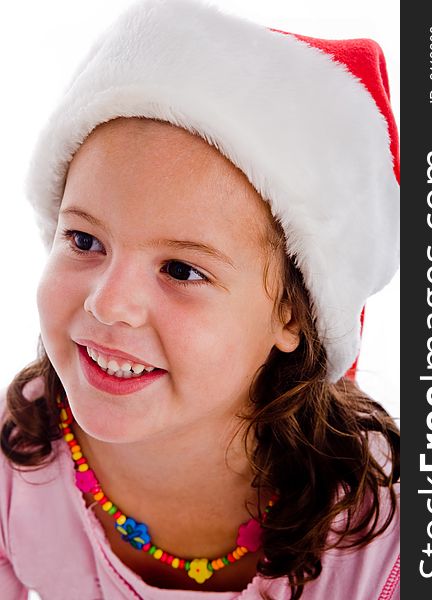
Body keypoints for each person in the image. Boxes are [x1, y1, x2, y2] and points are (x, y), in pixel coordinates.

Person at [0, 0, 400, 598]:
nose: (110, 305)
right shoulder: (21, 459)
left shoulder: (389, 534)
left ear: (293, 313)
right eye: (85, 239)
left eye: (182, 270)